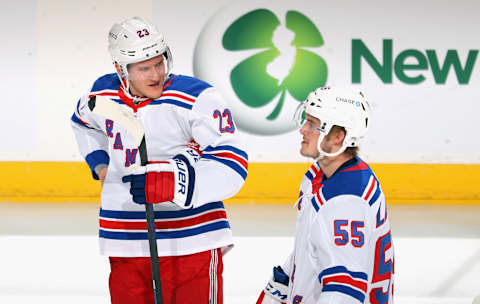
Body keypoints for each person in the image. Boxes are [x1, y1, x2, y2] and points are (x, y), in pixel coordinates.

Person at [71, 16, 248, 304]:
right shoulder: (102, 95)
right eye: (144, 68)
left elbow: (232, 160)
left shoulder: (195, 98)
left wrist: (175, 185)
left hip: (192, 240)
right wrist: (100, 163)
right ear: (120, 69)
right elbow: (82, 122)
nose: (156, 74)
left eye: (159, 62)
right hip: (124, 239)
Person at [257, 87, 394, 304]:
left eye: (312, 124)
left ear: (338, 136)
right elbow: (312, 250)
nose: (303, 130)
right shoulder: (320, 176)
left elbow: (345, 291)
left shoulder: (348, 200)